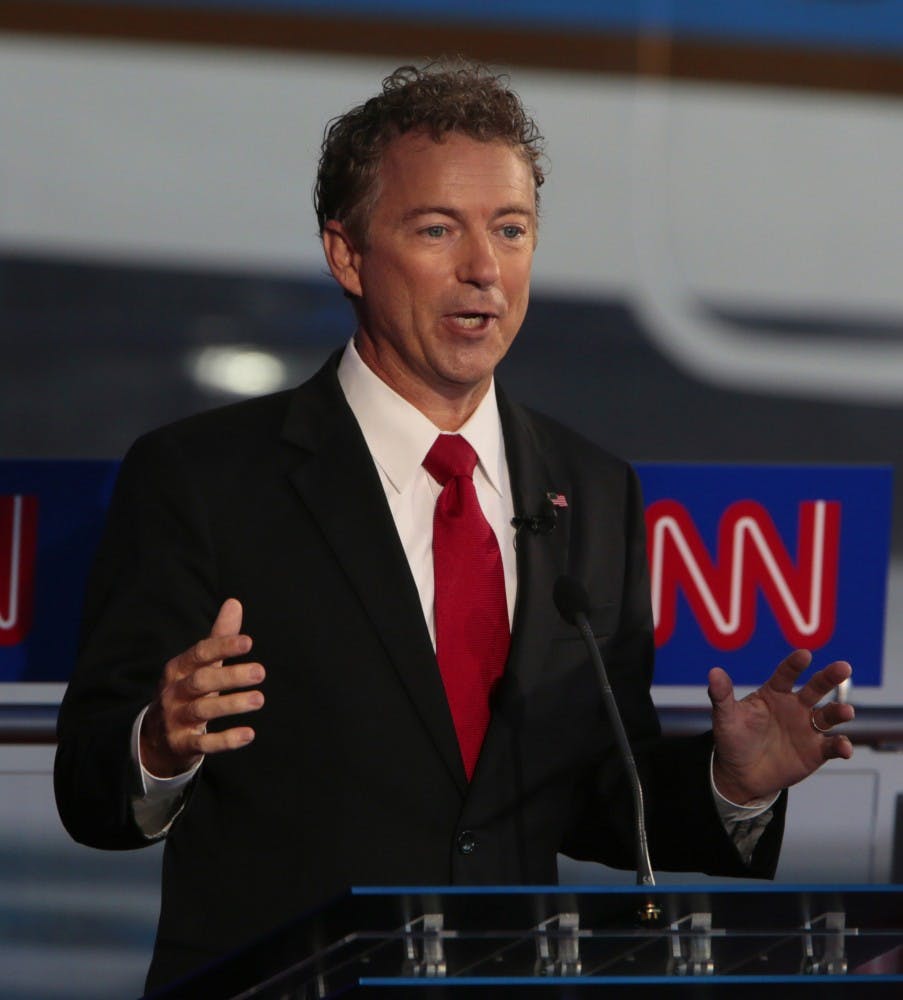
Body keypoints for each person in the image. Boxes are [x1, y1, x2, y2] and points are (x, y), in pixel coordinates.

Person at [54, 62, 855, 992]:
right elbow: (90, 790)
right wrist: (158, 744)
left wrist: (731, 785)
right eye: (437, 229)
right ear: (346, 254)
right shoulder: (204, 478)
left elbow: (597, 793)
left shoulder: (591, 491)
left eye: (510, 230)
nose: (484, 269)